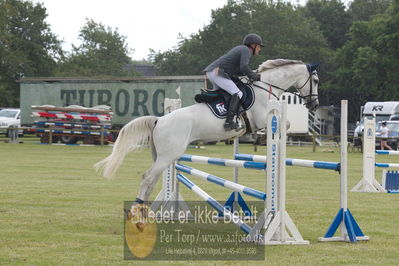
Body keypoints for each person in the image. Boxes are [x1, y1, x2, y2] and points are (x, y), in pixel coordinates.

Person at [203, 33, 263, 130]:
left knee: (224, 96)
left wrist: (250, 75)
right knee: (238, 93)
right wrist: (254, 76)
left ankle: (218, 118)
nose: (260, 49)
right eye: (259, 46)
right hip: (217, 72)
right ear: (253, 45)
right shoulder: (246, 50)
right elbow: (243, 67)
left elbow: (239, 69)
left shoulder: (241, 49)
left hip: (213, 72)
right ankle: (229, 122)